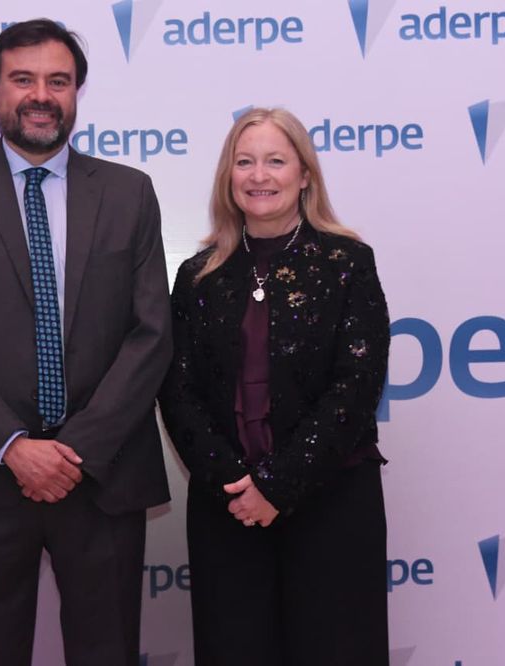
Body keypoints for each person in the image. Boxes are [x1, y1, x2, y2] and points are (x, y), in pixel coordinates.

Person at [0, 19, 172, 666]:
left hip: (100, 479)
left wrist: (74, 450)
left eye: (59, 80)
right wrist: (15, 448)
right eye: (23, 79)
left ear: (78, 92)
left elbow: (151, 335)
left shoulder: (130, 193)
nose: (40, 94)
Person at [159, 107, 391, 666]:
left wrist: (277, 487)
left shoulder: (347, 262)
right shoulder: (197, 276)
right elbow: (176, 388)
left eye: (275, 161)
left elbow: (356, 387)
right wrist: (237, 484)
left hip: (331, 502)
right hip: (227, 508)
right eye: (245, 162)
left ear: (304, 175)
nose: (259, 175)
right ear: (228, 177)